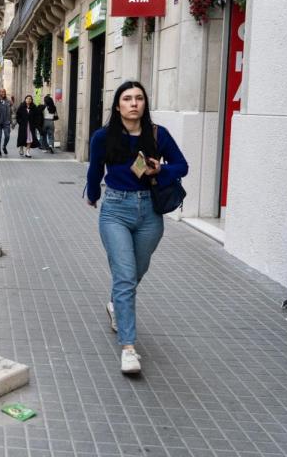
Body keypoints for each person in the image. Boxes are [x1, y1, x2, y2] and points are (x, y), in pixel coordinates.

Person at [85, 80, 188, 374]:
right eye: (127, 99)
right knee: (126, 275)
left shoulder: (158, 135)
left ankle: (117, 305)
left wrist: (161, 169)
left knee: (135, 272)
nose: (133, 103)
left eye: (139, 98)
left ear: (144, 104)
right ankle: (129, 348)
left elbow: (182, 166)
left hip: (150, 214)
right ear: (118, 106)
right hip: (115, 211)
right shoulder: (103, 137)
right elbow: (95, 170)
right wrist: (92, 195)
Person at [0, 88, 12, 157]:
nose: (3, 93)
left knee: (7, 136)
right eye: (1, 92)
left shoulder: (8, 101)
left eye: (4, 92)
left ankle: (4, 146)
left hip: (6, 122)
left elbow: (12, 112)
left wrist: (13, 122)